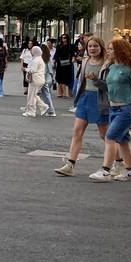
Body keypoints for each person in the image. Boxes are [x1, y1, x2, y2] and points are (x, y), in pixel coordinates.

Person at [88, 38, 131, 182]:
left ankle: (105, 170)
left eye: (111, 49)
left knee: (110, 137)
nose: (108, 52)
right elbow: (109, 87)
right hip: (113, 107)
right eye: (108, 49)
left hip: (126, 108)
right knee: (123, 140)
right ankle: (130, 171)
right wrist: (96, 80)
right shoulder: (112, 67)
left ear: (120, 51)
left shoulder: (129, 68)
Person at [54, 36, 110, 177]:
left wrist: (96, 80)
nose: (92, 49)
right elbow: (81, 82)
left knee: (105, 135)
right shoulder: (85, 61)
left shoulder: (107, 64)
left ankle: (118, 162)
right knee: (77, 131)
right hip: (85, 98)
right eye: (90, 46)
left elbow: (109, 86)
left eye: (95, 46)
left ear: (101, 48)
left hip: (100, 99)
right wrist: (77, 97)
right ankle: (70, 164)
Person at [22, 43, 50, 117]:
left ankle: (31, 112)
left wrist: (26, 69)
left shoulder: (36, 60)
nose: (31, 51)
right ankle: (43, 107)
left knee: (31, 96)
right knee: (34, 95)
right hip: (39, 79)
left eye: (32, 50)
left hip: (35, 79)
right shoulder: (39, 58)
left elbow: (33, 70)